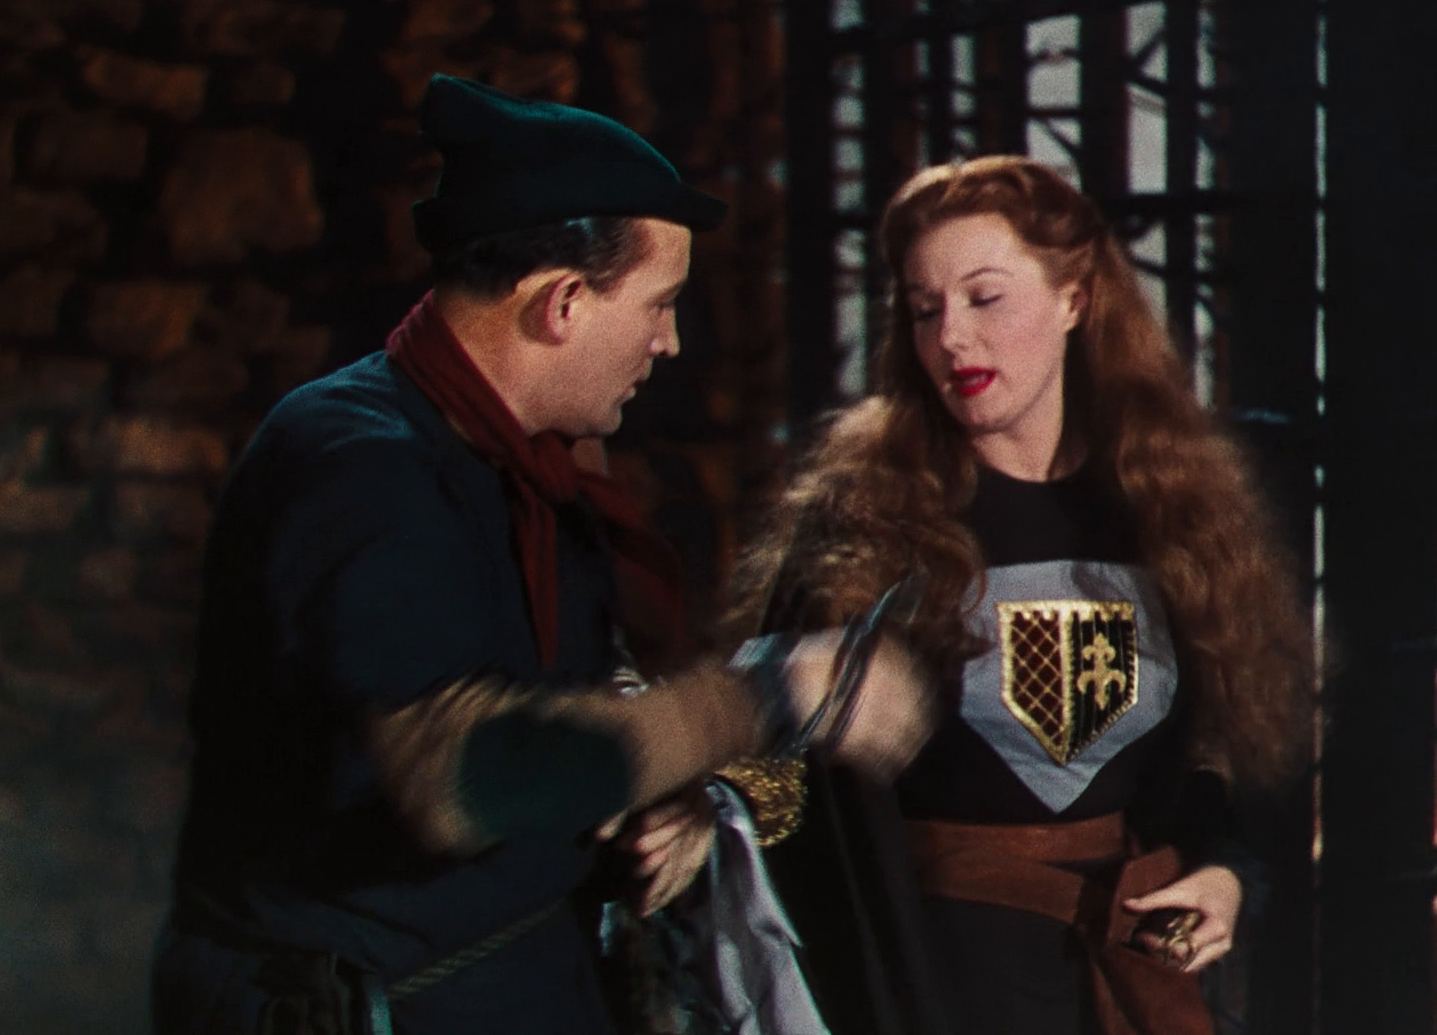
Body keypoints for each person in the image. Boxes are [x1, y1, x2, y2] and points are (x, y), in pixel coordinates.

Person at [150, 75, 932, 1035]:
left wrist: (662, 799)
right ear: (563, 302)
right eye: (659, 304)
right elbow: (464, 771)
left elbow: (572, 704)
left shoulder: (534, 466)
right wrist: (770, 696)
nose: (669, 343)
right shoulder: (355, 465)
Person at [727, 155, 1315, 1035]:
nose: (952, 338)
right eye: (925, 310)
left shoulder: (1169, 504)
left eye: (984, 298)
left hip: (1130, 977)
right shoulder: (864, 519)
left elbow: (1228, 753)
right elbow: (774, 777)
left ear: (1074, 299)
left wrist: (1225, 874)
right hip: (932, 988)